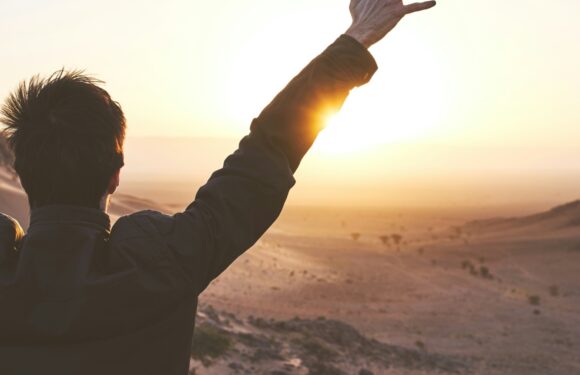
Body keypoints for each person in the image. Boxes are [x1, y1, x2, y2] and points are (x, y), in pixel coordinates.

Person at [0, 0, 436, 374]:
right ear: (117, 171)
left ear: (18, 170)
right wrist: (357, 38)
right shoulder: (161, 261)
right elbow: (268, 151)